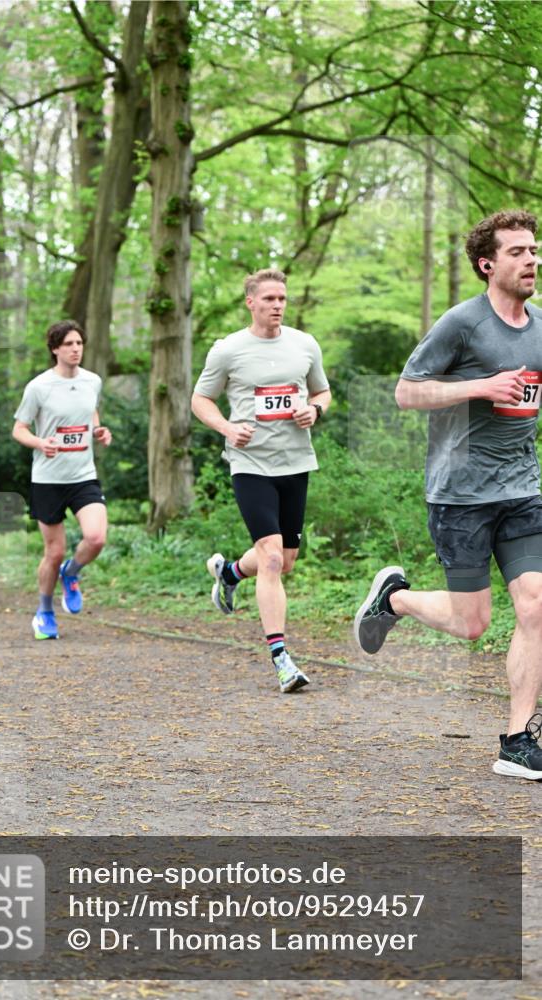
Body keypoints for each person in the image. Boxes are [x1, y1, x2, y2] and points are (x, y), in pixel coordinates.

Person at [354, 210, 542, 781]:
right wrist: (481, 386)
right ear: (488, 264)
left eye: (534, 250)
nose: (531, 259)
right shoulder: (461, 324)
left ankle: (516, 740)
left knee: (535, 605)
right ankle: (396, 600)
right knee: (473, 624)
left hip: (523, 488)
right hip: (460, 495)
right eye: (517, 252)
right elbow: (406, 392)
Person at [191, 268, 331, 692]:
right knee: (270, 558)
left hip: (296, 463)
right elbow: (201, 399)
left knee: (284, 561)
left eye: (282, 299)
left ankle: (231, 573)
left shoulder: (305, 344)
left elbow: (322, 392)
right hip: (250, 464)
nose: (277, 305)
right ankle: (282, 659)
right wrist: (228, 429)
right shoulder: (228, 349)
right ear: (250, 302)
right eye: (269, 298)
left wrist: (316, 411)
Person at [13, 320, 111, 640]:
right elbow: (19, 429)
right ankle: (44, 611)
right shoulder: (38, 387)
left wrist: (98, 430)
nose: (75, 349)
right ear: (55, 349)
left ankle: (72, 572)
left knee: (95, 538)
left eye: (79, 343)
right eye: (68, 344)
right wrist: (41, 443)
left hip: (83, 475)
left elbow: (90, 413)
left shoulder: (92, 381)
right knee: (53, 553)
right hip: (48, 479)